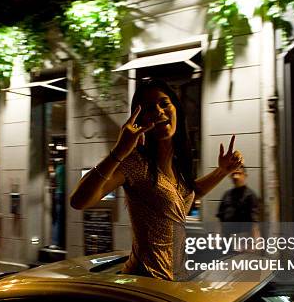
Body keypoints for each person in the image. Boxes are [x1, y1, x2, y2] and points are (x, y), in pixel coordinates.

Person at [70, 79, 243, 280]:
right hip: (147, 283)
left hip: (174, 280)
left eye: (164, 104)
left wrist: (222, 171)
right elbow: (78, 201)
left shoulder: (177, 164)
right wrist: (119, 150)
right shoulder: (135, 163)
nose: (159, 111)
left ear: (175, 109)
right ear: (140, 119)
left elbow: (187, 195)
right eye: (150, 108)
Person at [216, 166, 261, 241]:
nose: (236, 176)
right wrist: (216, 238)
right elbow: (220, 219)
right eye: (233, 174)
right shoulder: (227, 195)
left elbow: (254, 222)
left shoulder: (250, 196)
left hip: (243, 240)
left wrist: (256, 240)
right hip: (227, 239)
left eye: (239, 173)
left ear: (245, 176)